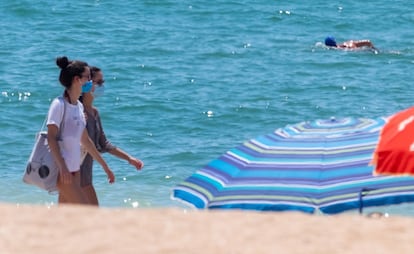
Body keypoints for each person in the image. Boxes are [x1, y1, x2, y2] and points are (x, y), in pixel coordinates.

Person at [48, 56, 115, 205]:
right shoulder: (58, 105)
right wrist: (63, 167)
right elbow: (51, 138)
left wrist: (106, 167)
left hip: (75, 170)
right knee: (84, 210)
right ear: (77, 79)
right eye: (88, 77)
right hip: (63, 172)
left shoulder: (78, 107)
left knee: (65, 213)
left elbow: (86, 141)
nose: (90, 82)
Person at [79, 66, 144, 205]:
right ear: (88, 84)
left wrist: (129, 158)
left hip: (85, 174)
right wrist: (106, 168)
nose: (102, 86)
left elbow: (104, 144)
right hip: (74, 172)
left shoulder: (94, 113)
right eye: (99, 82)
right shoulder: (78, 112)